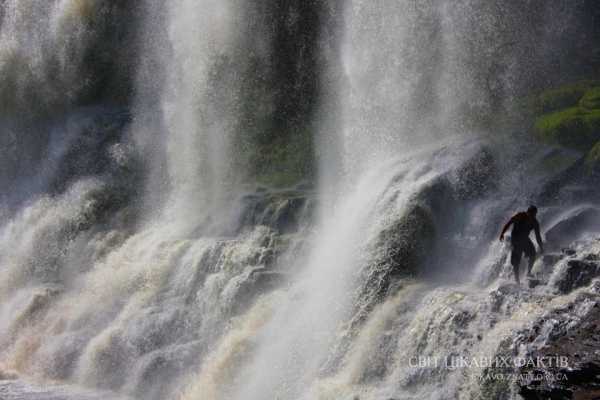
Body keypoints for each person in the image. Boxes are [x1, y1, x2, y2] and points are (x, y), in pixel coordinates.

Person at [499, 205, 544, 285]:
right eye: (531, 214)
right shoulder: (519, 215)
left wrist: (541, 248)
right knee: (516, 260)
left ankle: (529, 272)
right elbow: (508, 223)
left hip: (525, 239)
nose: (532, 216)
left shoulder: (535, 222)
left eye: (534, 215)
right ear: (527, 212)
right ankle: (517, 280)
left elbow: (538, 236)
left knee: (533, 254)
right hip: (515, 239)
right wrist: (502, 233)